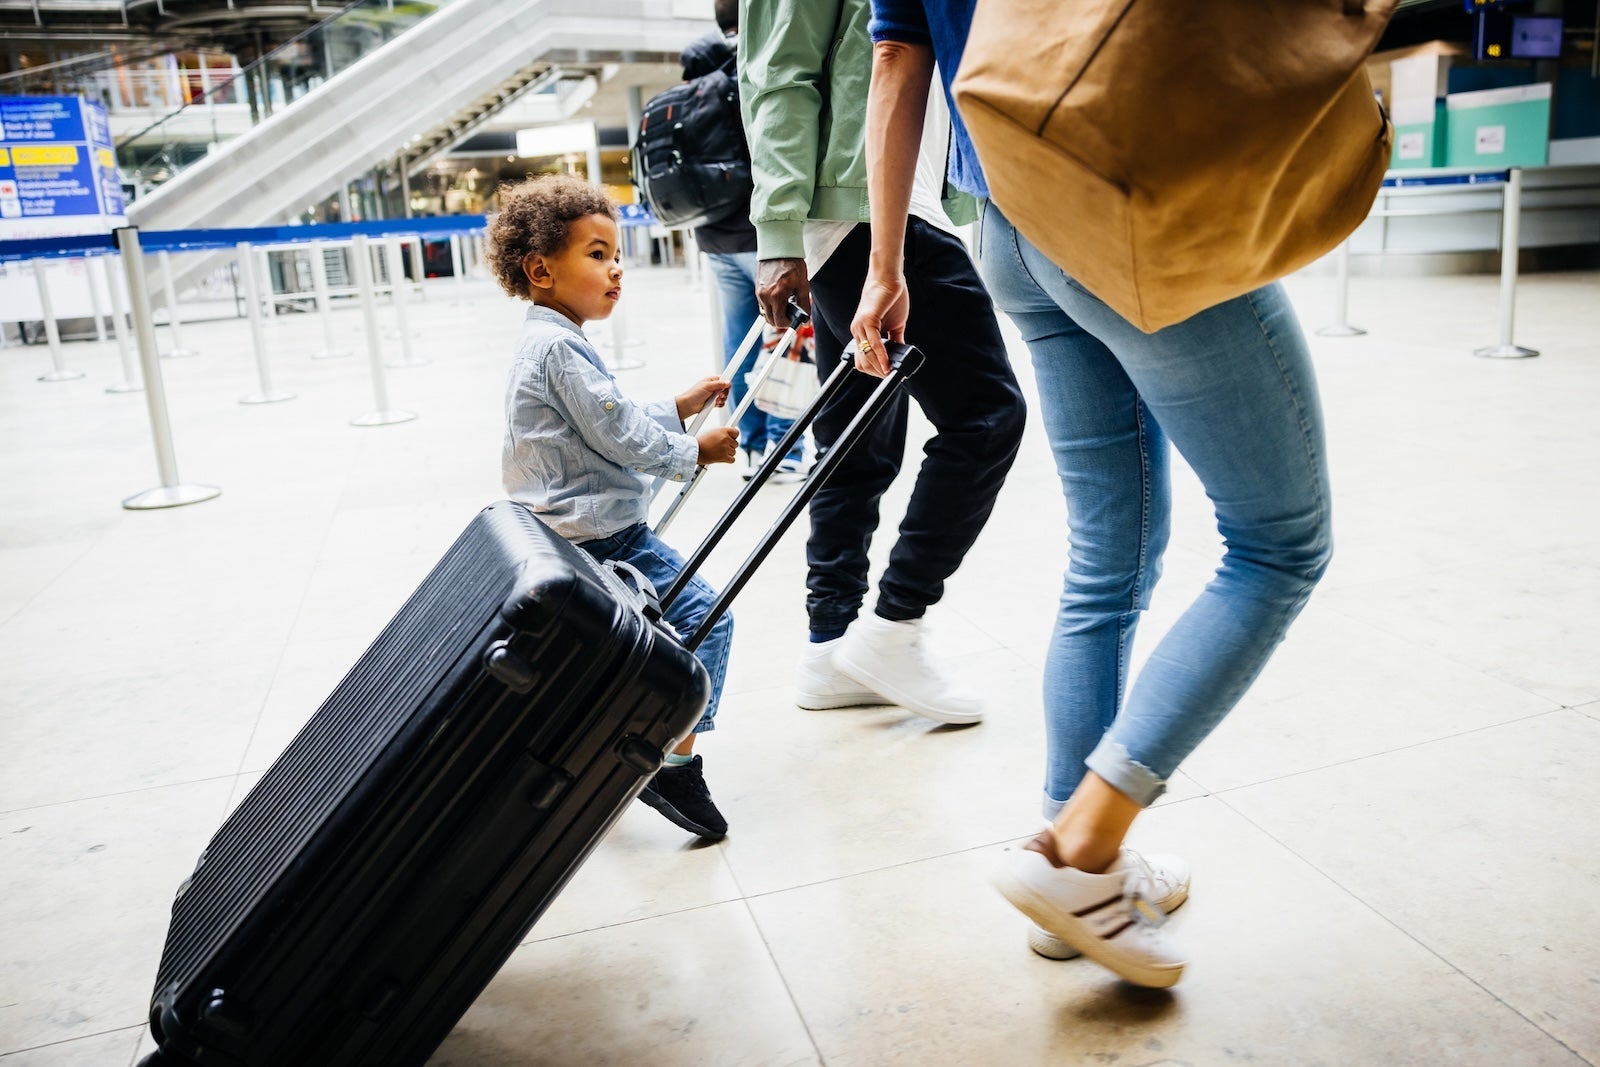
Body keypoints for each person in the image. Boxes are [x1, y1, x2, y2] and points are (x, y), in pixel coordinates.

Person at [854, 3, 1336, 988]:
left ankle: (1080, 879)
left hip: (1007, 224)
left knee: (1107, 555)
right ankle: (1077, 847)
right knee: (1279, 544)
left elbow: (897, 57)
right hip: (1134, 196)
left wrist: (885, 264)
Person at [738, 0, 1026, 725]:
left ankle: (829, 647)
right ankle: (895, 624)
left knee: (855, 446)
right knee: (986, 416)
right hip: (860, 215)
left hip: (892, 206)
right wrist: (777, 232)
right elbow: (778, 74)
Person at [491, 174, 741, 842]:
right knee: (706, 620)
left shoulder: (549, 340)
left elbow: (605, 418)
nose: (616, 268)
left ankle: (625, 743)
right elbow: (619, 435)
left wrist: (679, 408)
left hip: (568, 536)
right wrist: (695, 450)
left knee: (614, 650)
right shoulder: (559, 347)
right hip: (605, 541)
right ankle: (669, 763)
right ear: (541, 269)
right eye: (596, 254)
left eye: (616, 252)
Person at [688, 0, 805, 481]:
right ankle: (783, 447)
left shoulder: (697, 67)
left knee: (738, 342)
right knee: (786, 341)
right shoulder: (759, 55)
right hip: (759, 233)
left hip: (714, 235)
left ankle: (748, 444)